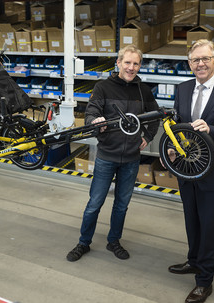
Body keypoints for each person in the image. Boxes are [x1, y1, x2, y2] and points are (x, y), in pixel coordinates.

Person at [167, 39, 214, 303]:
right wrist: (173, 149)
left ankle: (204, 280)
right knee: (192, 219)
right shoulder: (182, 88)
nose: (200, 64)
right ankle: (194, 261)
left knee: (210, 225)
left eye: (205, 58)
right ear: (189, 64)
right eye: (195, 60)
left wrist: (211, 130)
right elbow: (177, 127)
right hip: (188, 169)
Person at [66, 45, 159, 262]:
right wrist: (95, 122)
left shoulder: (142, 90)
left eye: (136, 63)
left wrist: (148, 137)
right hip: (107, 156)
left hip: (131, 159)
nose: (131, 67)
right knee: (95, 203)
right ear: (118, 63)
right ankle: (83, 242)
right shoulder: (103, 87)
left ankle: (113, 241)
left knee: (122, 204)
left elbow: (155, 116)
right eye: (127, 62)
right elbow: (91, 113)